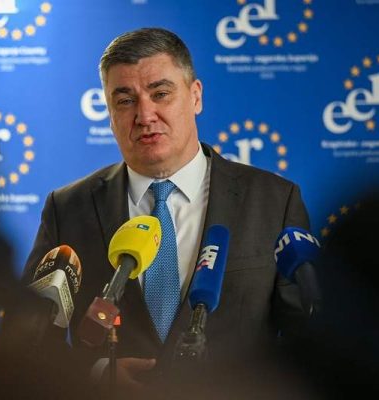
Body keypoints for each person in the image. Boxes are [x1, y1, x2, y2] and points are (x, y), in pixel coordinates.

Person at [24, 27, 310, 394]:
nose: (145, 115)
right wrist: (95, 375)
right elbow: (29, 340)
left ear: (195, 96)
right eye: (125, 100)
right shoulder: (67, 209)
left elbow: (307, 340)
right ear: (109, 113)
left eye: (160, 94)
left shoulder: (274, 201)